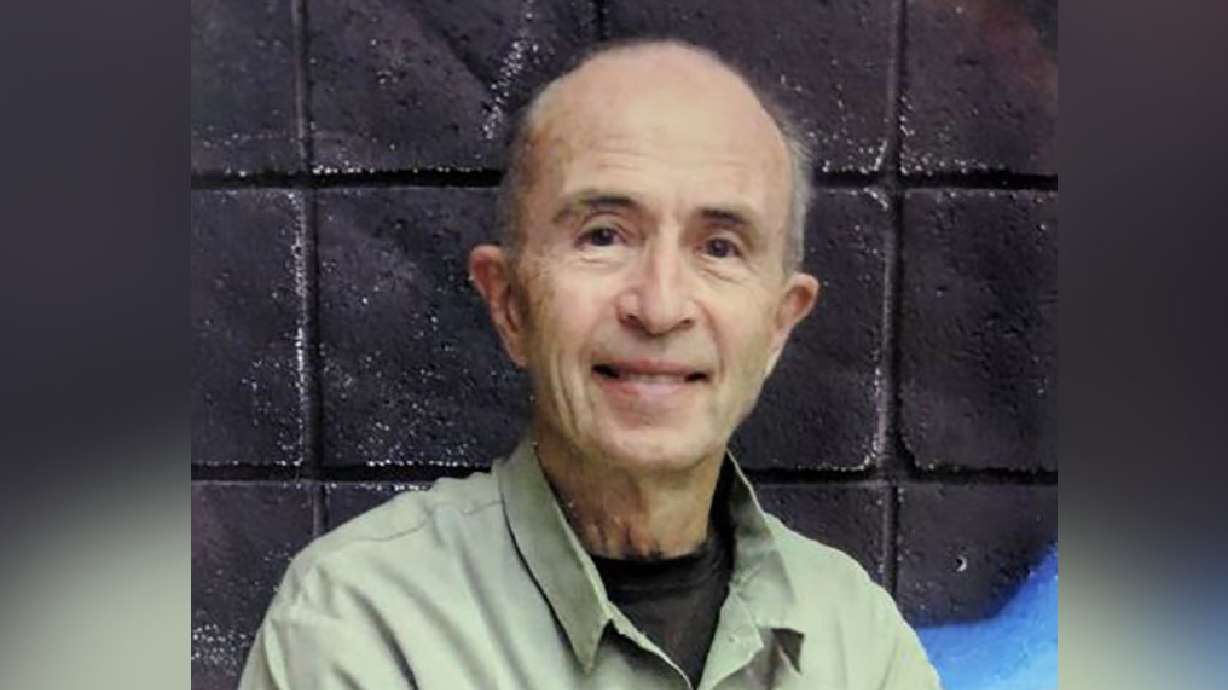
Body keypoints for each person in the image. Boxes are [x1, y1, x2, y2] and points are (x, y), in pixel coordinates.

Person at [238, 39, 940, 690]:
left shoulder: (857, 639)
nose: (661, 307)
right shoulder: (361, 622)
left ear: (780, 325)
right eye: (603, 236)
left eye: (720, 247)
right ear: (510, 304)